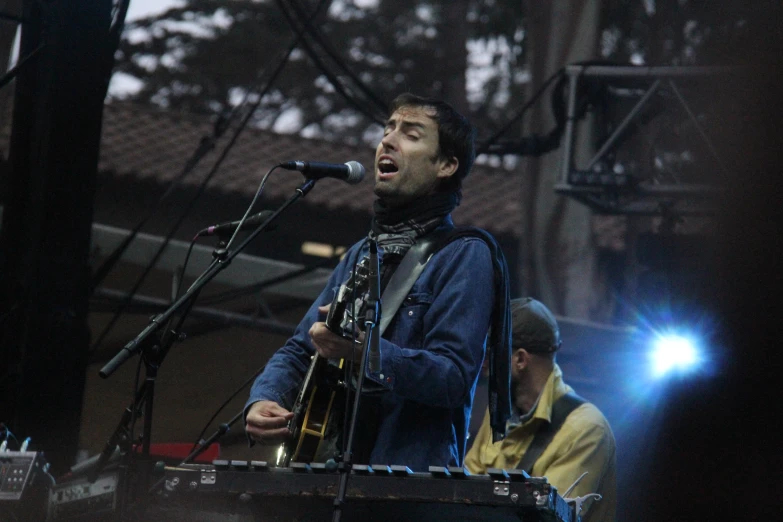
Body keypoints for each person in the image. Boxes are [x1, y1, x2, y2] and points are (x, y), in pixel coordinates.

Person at [244, 93, 511, 472]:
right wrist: (262, 400)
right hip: (330, 472)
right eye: (388, 129)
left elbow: (452, 377)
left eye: (411, 134)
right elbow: (301, 349)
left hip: (406, 488)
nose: (388, 140)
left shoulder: (465, 254)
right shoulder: (361, 253)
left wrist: (364, 352)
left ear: (447, 165)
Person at [464, 297, 617, 522]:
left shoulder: (586, 430)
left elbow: (548, 518)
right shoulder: (500, 412)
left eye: (490, 352)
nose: (482, 362)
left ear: (520, 360)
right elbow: (468, 491)